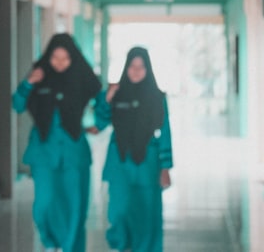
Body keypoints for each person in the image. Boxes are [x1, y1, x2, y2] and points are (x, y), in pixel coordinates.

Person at [13, 32, 104, 252]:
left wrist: (99, 123)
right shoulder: (39, 76)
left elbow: (102, 100)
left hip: (74, 153)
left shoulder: (83, 77)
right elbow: (17, 104)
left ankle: (71, 248)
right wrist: (28, 83)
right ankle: (51, 241)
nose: (60, 63)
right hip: (43, 152)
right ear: (48, 57)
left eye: (65, 59)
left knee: (74, 206)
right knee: (44, 204)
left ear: (73, 58)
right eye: (55, 58)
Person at [93, 46, 173, 252]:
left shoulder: (158, 97)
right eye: (132, 66)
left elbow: (165, 133)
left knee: (147, 213)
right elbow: (100, 123)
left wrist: (165, 168)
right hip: (119, 162)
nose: (136, 71)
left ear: (148, 70)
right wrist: (107, 100)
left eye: (141, 67)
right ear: (125, 68)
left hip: (148, 162)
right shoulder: (115, 94)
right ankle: (122, 244)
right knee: (118, 211)